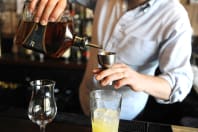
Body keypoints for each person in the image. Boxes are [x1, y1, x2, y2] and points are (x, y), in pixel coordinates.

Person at [29, 0, 193, 120]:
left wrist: (139, 79)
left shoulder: (174, 17)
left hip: (124, 118)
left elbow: (180, 83)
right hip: (84, 103)